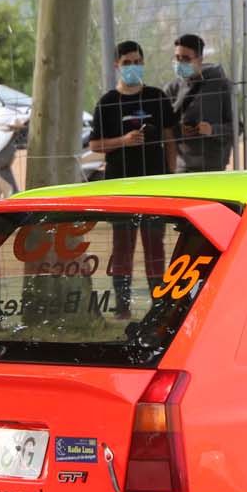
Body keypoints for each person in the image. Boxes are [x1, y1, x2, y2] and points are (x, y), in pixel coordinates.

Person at [90, 40, 177, 313]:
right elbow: (95, 145)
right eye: (127, 63)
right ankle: (122, 304)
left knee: (155, 246)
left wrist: (171, 176)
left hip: (155, 186)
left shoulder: (157, 96)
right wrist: (123, 141)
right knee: (123, 246)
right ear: (117, 65)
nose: (133, 67)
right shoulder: (107, 103)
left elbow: (170, 139)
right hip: (121, 186)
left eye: (137, 62)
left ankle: (159, 303)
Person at [171, 34, 235, 173]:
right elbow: (163, 128)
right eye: (177, 58)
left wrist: (212, 130)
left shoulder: (221, 85)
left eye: (186, 59)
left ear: (200, 60)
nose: (180, 63)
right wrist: (178, 130)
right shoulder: (171, 88)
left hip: (213, 167)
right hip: (180, 167)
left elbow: (237, 127)